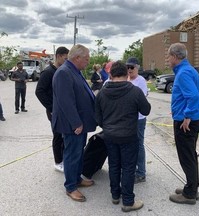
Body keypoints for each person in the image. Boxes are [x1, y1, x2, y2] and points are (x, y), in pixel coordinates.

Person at [95, 61, 151, 212]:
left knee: (114, 165)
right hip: (129, 136)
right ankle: (128, 201)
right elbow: (146, 110)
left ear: (111, 75)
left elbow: (98, 118)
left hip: (110, 136)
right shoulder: (135, 91)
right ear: (127, 75)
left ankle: (115, 195)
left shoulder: (102, 93)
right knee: (128, 167)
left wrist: (107, 127)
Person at [52, 44, 97, 202]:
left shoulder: (74, 71)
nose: (88, 62)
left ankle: (77, 178)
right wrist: (76, 123)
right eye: (86, 59)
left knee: (78, 153)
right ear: (77, 58)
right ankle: (70, 187)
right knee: (72, 154)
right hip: (73, 124)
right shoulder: (64, 73)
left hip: (80, 122)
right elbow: (66, 102)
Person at [167, 43, 199, 205]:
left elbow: (193, 97)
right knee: (190, 156)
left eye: (169, 56)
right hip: (192, 119)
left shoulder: (183, 73)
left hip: (186, 123)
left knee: (186, 158)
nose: (168, 59)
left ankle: (190, 194)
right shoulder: (191, 70)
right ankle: (191, 187)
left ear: (175, 57)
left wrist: (188, 116)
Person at [35, 46, 69, 172]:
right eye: (65, 58)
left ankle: (64, 158)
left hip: (63, 110)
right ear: (59, 56)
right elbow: (39, 91)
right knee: (58, 135)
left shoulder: (63, 71)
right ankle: (58, 162)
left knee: (64, 135)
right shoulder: (48, 72)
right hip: (54, 111)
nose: (67, 61)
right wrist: (51, 107)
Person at [126, 57, 148, 184]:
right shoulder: (126, 79)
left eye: (132, 67)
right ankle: (132, 169)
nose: (129, 70)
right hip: (128, 118)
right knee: (129, 145)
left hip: (138, 118)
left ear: (137, 68)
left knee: (139, 144)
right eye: (127, 67)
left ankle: (141, 173)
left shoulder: (141, 81)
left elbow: (141, 100)